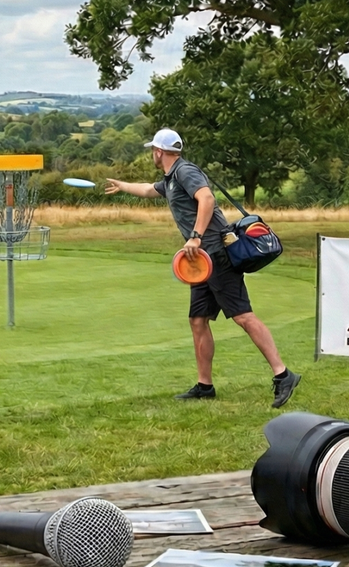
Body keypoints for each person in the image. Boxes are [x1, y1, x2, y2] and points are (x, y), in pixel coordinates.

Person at [104, 128, 300, 407]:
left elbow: (206, 199)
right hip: (200, 261)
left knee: (243, 316)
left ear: (159, 152)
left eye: (153, 150)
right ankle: (204, 385)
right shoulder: (170, 179)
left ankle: (283, 375)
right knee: (198, 320)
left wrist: (195, 235)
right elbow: (149, 189)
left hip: (216, 253)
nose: (152, 154)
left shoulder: (185, 172)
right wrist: (123, 186)